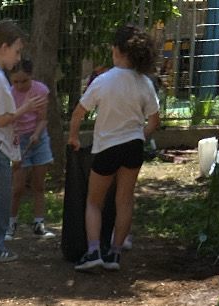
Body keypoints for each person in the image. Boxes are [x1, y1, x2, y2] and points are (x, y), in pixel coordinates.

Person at [68, 24, 159, 272]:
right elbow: (154, 121)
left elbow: (79, 112)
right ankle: (115, 253)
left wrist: (74, 137)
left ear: (116, 50)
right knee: (125, 200)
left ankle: (93, 251)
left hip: (107, 148)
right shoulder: (144, 83)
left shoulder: (103, 80)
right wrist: (138, 136)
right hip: (134, 147)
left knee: (94, 202)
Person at [0, 21, 44, 263]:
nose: (18, 57)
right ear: (4, 48)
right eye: (16, 51)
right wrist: (25, 108)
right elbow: (2, 118)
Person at [7, 58, 53, 239]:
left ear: (31, 76)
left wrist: (36, 134)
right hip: (18, 140)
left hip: (38, 138)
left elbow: (43, 118)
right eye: (16, 81)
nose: (20, 85)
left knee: (38, 185)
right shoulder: (8, 94)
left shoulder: (40, 90)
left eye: (24, 81)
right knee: (17, 187)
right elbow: (8, 121)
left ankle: (38, 223)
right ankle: (10, 224)